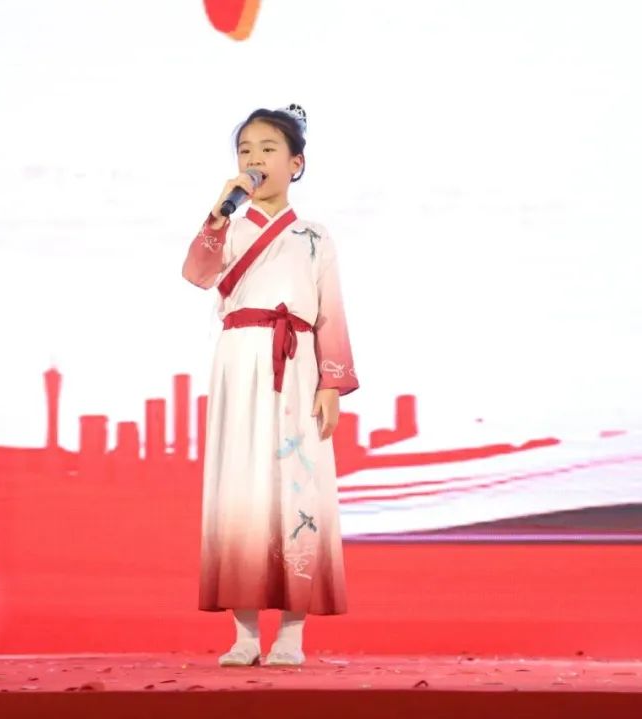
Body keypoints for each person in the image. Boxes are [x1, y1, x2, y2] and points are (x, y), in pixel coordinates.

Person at [181, 104, 359, 667]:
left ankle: (291, 634)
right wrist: (216, 215)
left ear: (295, 163)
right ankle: (244, 634)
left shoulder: (315, 236)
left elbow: (330, 312)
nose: (254, 159)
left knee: (297, 486)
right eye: (245, 150)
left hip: (296, 360)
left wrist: (331, 383)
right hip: (240, 361)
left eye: (267, 149)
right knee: (241, 487)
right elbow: (197, 273)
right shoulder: (229, 228)